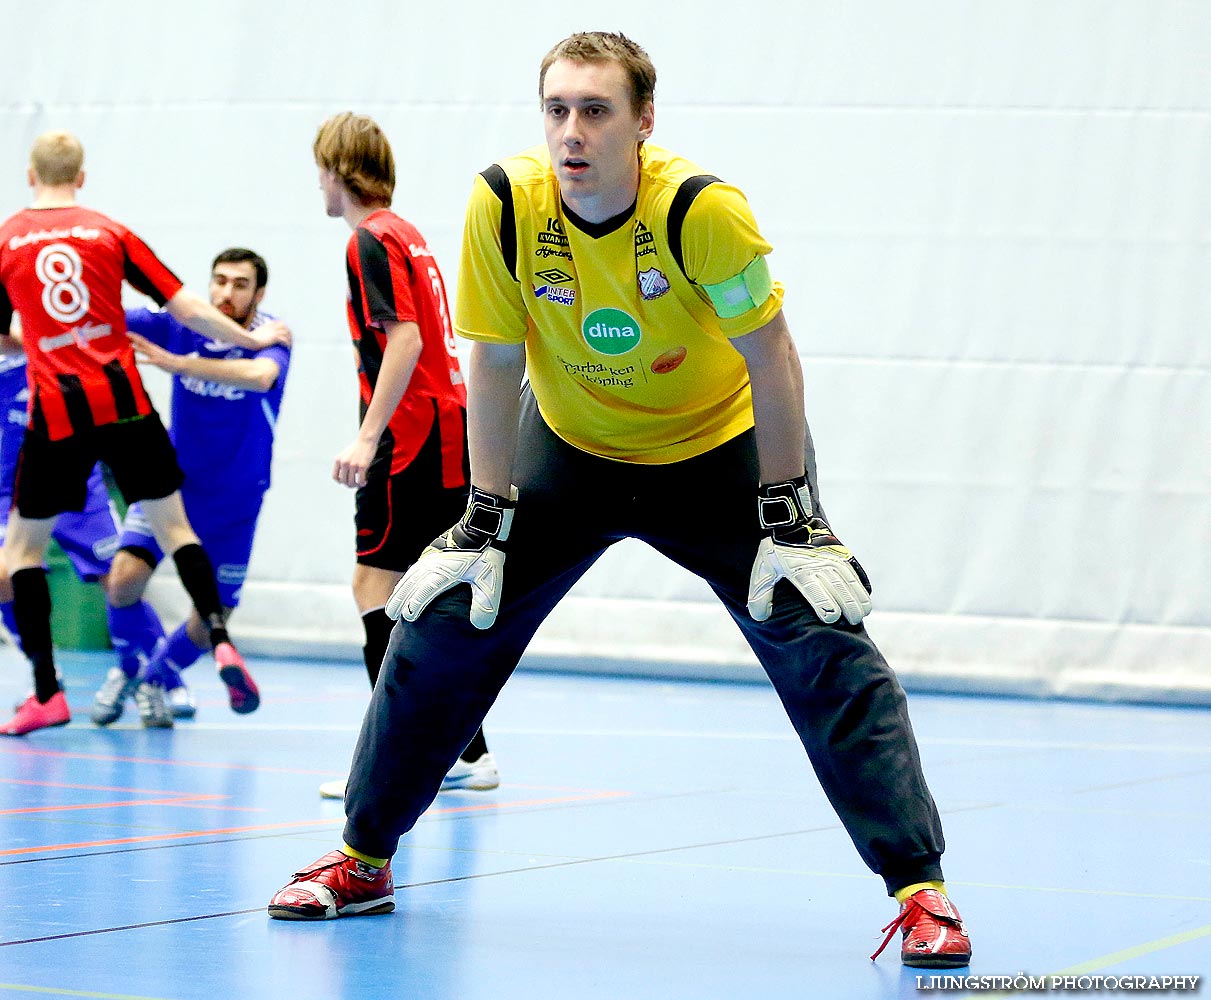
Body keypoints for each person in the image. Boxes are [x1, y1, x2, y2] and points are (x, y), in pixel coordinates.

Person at [267, 33, 971, 970]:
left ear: (643, 122)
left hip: (714, 453)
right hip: (569, 447)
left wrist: (790, 511)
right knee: (436, 621)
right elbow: (495, 360)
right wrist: (484, 515)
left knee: (823, 641)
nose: (572, 132)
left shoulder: (701, 210)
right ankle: (363, 859)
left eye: (595, 111)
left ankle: (919, 890)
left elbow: (773, 356)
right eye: (555, 110)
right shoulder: (505, 206)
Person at [0, 130, 288, 736]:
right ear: (81, 177)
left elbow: (13, 334)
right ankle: (217, 633)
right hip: (124, 401)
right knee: (174, 529)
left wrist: (54, 345)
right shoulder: (110, 232)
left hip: (59, 407)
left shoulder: (8, 240)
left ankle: (47, 692)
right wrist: (253, 337)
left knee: (22, 553)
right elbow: (188, 308)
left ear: (31, 176)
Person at [310, 112, 498, 798]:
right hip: (448, 430)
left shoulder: (368, 242)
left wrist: (367, 435)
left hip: (411, 437)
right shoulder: (408, 233)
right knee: (430, 594)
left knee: (376, 589)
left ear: (338, 169)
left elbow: (407, 340)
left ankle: (395, 759)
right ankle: (468, 753)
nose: (319, 185)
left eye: (321, 170)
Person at [91, 247, 291, 728]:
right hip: (171, 490)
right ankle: (130, 668)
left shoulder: (272, 336)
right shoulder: (181, 324)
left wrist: (175, 364)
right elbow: (107, 316)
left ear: (258, 293)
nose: (226, 292)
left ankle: (155, 678)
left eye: (239, 284)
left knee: (210, 621)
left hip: (235, 502)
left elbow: (260, 376)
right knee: (121, 582)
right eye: (219, 281)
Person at [0, 322, 122, 671]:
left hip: (75, 478)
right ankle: (46, 682)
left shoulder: (53, 302)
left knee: (120, 580)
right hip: (14, 488)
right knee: (2, 577)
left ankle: (156, 678)